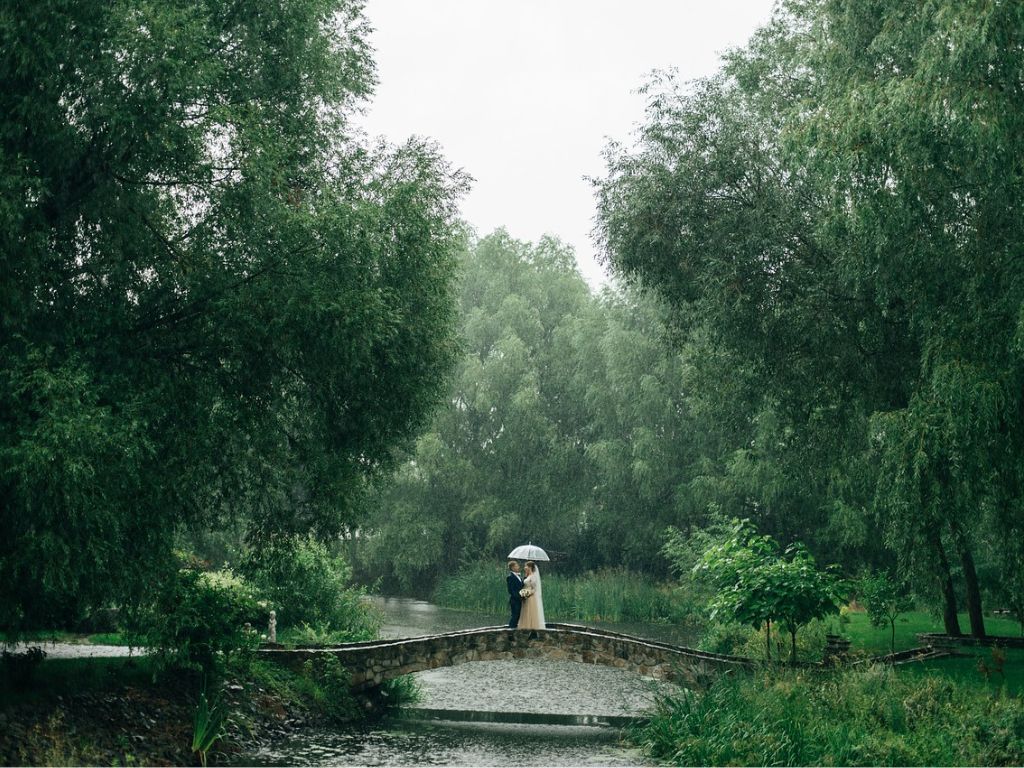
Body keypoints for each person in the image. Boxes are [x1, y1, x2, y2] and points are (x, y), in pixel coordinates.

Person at [518, 560, 546, 631]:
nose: (525, 567)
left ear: (530, 567)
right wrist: (523, 592)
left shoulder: (533, 576)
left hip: (530, 597)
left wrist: (528, 593)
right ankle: (525, 626)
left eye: (526, 566)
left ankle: (531, 627)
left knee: (530, 611)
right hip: (525, 597)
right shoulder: (527, 575)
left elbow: (534, 589)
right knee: (525, 611)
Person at [506, 560, 523, 628]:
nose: (518, 567)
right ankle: (510, 632)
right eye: (516, 565)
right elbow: (511, 590)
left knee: (518, 616)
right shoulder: (510, 577)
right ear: (512, 567)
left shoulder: (519, 576)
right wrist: (519, 596)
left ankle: (513, 630)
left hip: (520, 600)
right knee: (515, 616)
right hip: (515, 600)